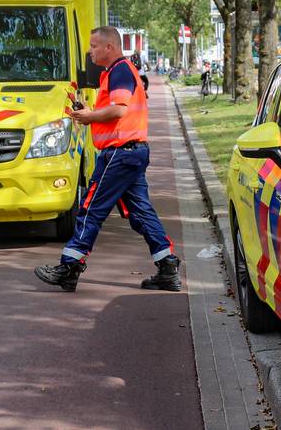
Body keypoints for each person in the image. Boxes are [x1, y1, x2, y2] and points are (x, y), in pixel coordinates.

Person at [35, 26, 182, 293]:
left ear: (109, 48)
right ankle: (167, 266)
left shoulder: (120, 71)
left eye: (93, 46)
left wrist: (89, 117)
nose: (90, 51)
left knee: (91, 209)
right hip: (131, 153)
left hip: (119, 154)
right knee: (140, 213)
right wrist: (87, 111)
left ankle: (69, 266)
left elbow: (119, 110)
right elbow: (114, 110)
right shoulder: (116, 72)